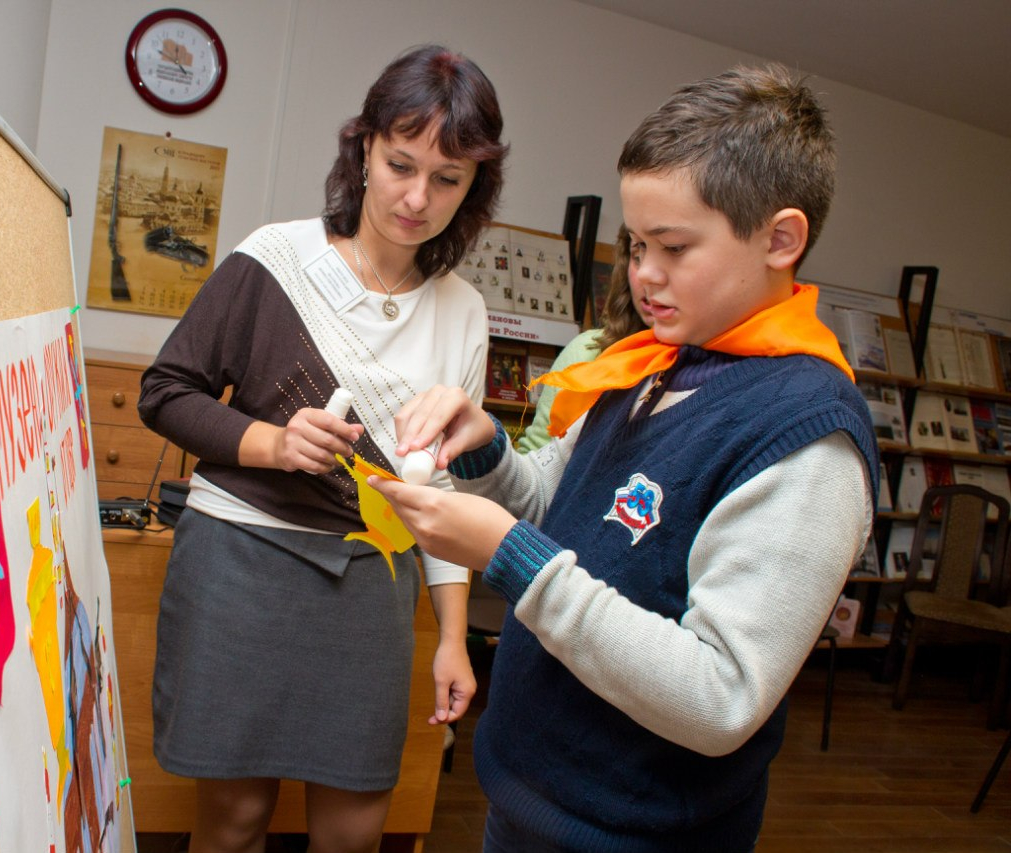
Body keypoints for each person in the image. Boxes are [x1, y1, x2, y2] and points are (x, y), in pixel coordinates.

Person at [372, 64, 880, 851]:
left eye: (673, 247)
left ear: (781, 239)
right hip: (529, 796)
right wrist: (486, 450)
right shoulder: (653, 363)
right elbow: (551, 501)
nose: (642, 274)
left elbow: (721, 697)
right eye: (637, 244)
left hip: (631, 831)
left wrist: (513, 559)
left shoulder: (806, 436)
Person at [136, 44, 508, 853]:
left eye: (447, 179)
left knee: (354, 829)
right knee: (233, 821)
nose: (417, 198)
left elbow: (445, 495)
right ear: (364, 148)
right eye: (400, 164)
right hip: (241, 562)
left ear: (474, 186)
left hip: (372, 582)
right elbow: (165, 392)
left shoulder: (464, 310)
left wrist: (452, 635)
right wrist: (272, 441)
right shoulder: (275, 259)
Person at [516, 222, 652, 453]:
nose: (648, 275)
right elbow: (537, 453)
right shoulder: (588, 350)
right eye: (638, 256)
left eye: (675, 250)